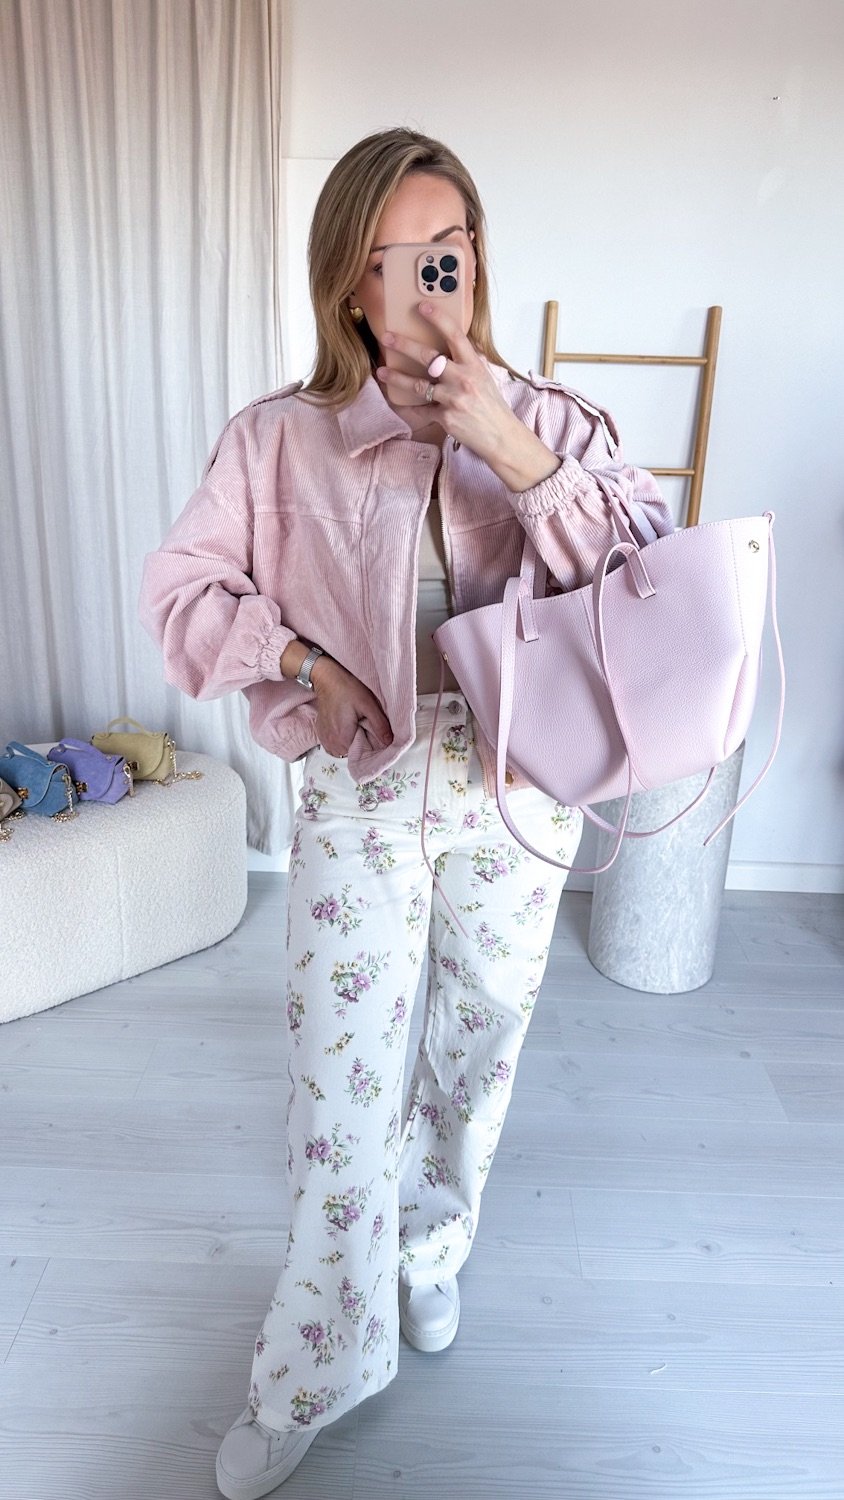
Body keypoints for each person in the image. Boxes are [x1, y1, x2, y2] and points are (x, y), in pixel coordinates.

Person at [138, 127, 673, 1499]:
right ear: (349, 281)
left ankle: (431, 1249)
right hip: (360, 789)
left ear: (477, 257)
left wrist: (509, 447)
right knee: (343, 1085)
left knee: (477, 1048)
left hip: (517, 792)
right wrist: (300, 662)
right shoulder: (281, 438)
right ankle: (316, 1361)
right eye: (397, 260)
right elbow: (183, 591)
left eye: (451, 250)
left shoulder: (555, 422)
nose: (433, 282)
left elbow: (646, 579)